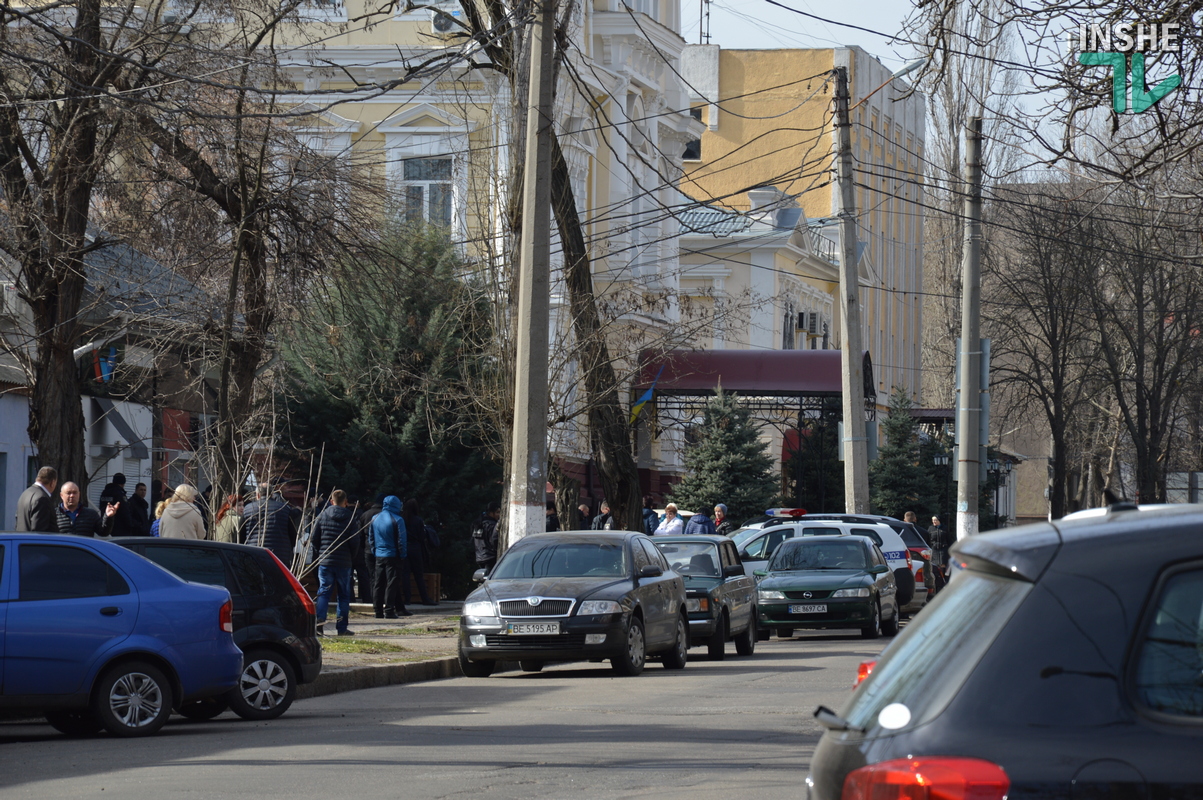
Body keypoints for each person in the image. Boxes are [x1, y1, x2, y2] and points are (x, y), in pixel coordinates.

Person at [311, 489, 358, 635]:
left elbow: (314, 538)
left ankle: (319, 625)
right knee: (344, 595)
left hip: (326, 560)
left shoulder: (323, 515)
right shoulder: (351, 518)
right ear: (345, 502)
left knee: (324, 592)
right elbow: (355, 542)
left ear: (331, 501)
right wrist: (351, 557)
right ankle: (342, 628)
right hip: (344, 562)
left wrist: (321, 552)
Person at [242, 484, 300, 569]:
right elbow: (293, 535)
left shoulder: (248, 509)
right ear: (272, 494)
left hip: (253, 554)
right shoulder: (283, 508)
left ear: (257, 494)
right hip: (279, 556)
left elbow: (241, 536)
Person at [372, 495, 409, 618]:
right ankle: (389, 610)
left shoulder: (375, 518)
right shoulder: (398, 520)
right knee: (392, 583)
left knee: (378, 583)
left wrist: (375, 551)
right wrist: (402, 555)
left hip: (379, 554)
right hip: (393, 555)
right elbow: (402, 541)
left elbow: (371, 538)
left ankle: (377, 611)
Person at [401, 498, 436, 605]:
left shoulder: (402, 519)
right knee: (418, 575)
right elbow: (421, 536)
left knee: (405, 574)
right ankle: (425, 598)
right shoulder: (418, 520)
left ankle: (407, 599)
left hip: (404, 547)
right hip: (415, 548)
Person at [356, 495, 384, 603]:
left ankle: (373, 598)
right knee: (382, 576)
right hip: (382, 548)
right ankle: (381, 599)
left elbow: (360, 534)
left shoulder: (365, 515)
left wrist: (363, 547)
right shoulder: (385, 515)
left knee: (371, 576)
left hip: (368, 548)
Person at [16, 466, 58, 532]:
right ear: (52, 483)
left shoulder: (25, 494)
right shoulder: (42, 499)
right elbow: (39, 531)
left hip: (22, 540)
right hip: (35, 542)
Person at [473, 502, 501, 573]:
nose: (499, 515)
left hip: (479, 558)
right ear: (491, 513)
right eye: (497, 512)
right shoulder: (491, 525)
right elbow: (494, 540)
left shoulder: (478, 524)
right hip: (490, 558)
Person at [928, 516, 950, 590]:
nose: (934, 522)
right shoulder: (930, 529)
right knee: (935, 567)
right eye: (933, 520)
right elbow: (928, 540)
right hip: (934, 550)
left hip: (943, 550)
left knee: (942, 566)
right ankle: (936, 583)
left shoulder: (944, 528)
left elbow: (949, 539)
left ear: (939, 520)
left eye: (935, 520)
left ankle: (943, 582)